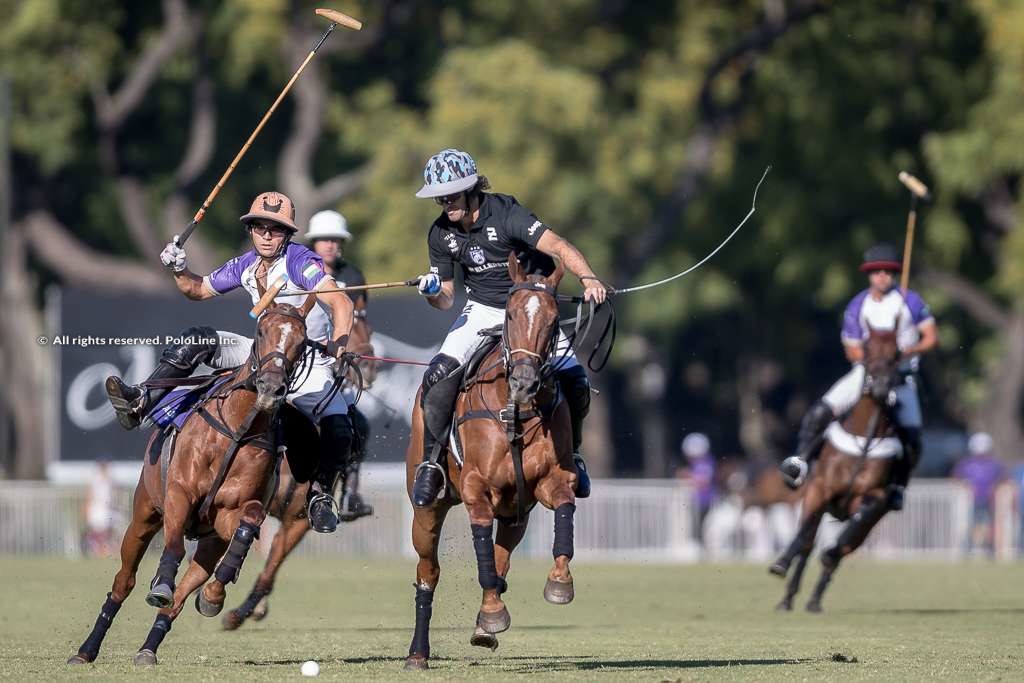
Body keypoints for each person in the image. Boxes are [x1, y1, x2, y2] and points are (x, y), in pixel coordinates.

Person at [103, 191, 357, 533]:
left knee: (340, 426)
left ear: (288, 234)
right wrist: (179, 268)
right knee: (199, 338)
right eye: (260, 227)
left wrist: (340, 343)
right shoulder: (245, 265)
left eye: (276, 229)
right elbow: (197, 290)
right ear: (250, 230)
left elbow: (341, 303)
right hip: (261, 354)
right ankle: (141, 401)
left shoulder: (300, 262)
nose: (267, 234)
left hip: (307, 357)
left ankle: (322, 495)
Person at [408, 148, 605, 507]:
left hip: (529, 309)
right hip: (482, 310)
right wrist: (433, 290)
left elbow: (558, 246)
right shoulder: (440, 233)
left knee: (576, 382)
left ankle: (573, 454)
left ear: (471, 189)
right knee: (435, 376)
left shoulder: (507, 214)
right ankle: (432, 463)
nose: (445, 203)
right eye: (439, 197)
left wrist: (588, 277)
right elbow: (447, 299)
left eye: (451, 195)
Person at [780, 242, 939, 510]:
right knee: (821, 411)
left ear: (895, 273)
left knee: (912, 436)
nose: (882, 276)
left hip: (901, 378)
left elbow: (931, 337)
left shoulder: (909, 301)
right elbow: (851, 347)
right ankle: (800, 460)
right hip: (866, 374)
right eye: (877, 271)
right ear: (869, 274)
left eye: (888, 271)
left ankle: (898, 486)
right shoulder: (858, 305)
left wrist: (906, 351)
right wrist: (873, 360)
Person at [303, 209, 372, 522]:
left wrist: (357, 352)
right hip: (307, 357)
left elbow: (359, 322)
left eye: (335, 240)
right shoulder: (300, 269)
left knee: (359, 425)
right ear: (313, 243)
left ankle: (348, 493)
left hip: (338, 361)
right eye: (323, 240)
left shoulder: (354, 276)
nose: (329, 245)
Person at [953, 432, 1005, 555]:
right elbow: (956, 477)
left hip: (989, 500)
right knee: (970, 525)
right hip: (971, 501)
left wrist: (995, 488)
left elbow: (1003, 478)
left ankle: (990, 549)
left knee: (989, 526)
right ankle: (967, 549)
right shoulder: (967, 463)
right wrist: (965, 487)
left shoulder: (993, 464)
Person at [677, 432, 716, 526]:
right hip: (697, 501)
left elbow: (704, 481)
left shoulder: (705, 462)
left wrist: (687, 476)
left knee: (700, 527)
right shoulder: (699, 463)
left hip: (704, 501)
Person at [83, 457, 118, 557]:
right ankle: (96, 549)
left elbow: (113, 495)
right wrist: (87, 508)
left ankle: (104, 548)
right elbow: (90, 495)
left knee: (107, 530)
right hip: (97, 508)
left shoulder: (110, 480)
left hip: (107, 509)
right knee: (97, 530)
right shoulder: (95, 480)